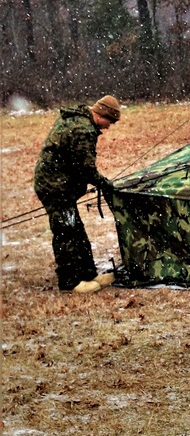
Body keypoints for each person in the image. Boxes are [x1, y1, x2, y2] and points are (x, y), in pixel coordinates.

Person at [33, 95, 120, 293]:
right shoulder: (83, 130)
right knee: (66, 232)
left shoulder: (77, 119)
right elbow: (85, 169)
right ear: (101, 114)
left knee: (76, 229)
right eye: (110, 121)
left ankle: (88, 274)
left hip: (58, 184)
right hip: (54, 187)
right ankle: (70, 281)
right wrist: (104, 184)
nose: (108, 127)